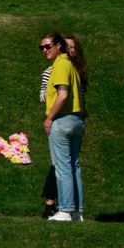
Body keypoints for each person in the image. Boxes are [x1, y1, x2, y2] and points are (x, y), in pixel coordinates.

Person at [38, 35, 88, 218]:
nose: (44, 50)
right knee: (74, 166)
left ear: (58, 46)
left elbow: (63, 95)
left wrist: (49, 118)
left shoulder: (59, 65)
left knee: (62, 167)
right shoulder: (72, 65)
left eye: (48, 46)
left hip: (62, 119)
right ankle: (77, 211)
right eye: (41, 47)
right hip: (76, 118)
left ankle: (65, 209)